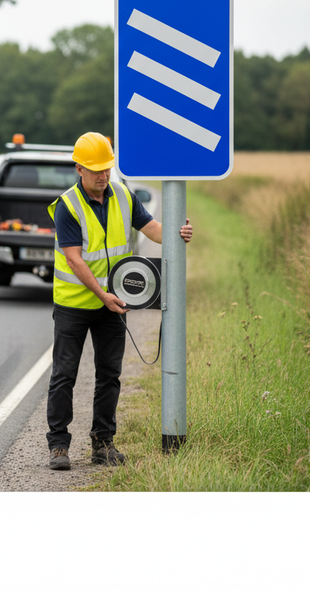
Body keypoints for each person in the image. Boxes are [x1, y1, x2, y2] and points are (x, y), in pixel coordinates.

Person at [46, 132, 193, 470]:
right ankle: (58, 446)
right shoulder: (68, 206)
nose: (104, 175)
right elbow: (74, 260)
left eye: (107, 168)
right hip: (74, 305)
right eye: (96, 169)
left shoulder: (124, 196)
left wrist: (175, 232)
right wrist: (103, 295)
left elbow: (151, 227)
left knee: (109, 375)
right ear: (79, 169)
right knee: (64, 375)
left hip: (113, 304)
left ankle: (103, 443)